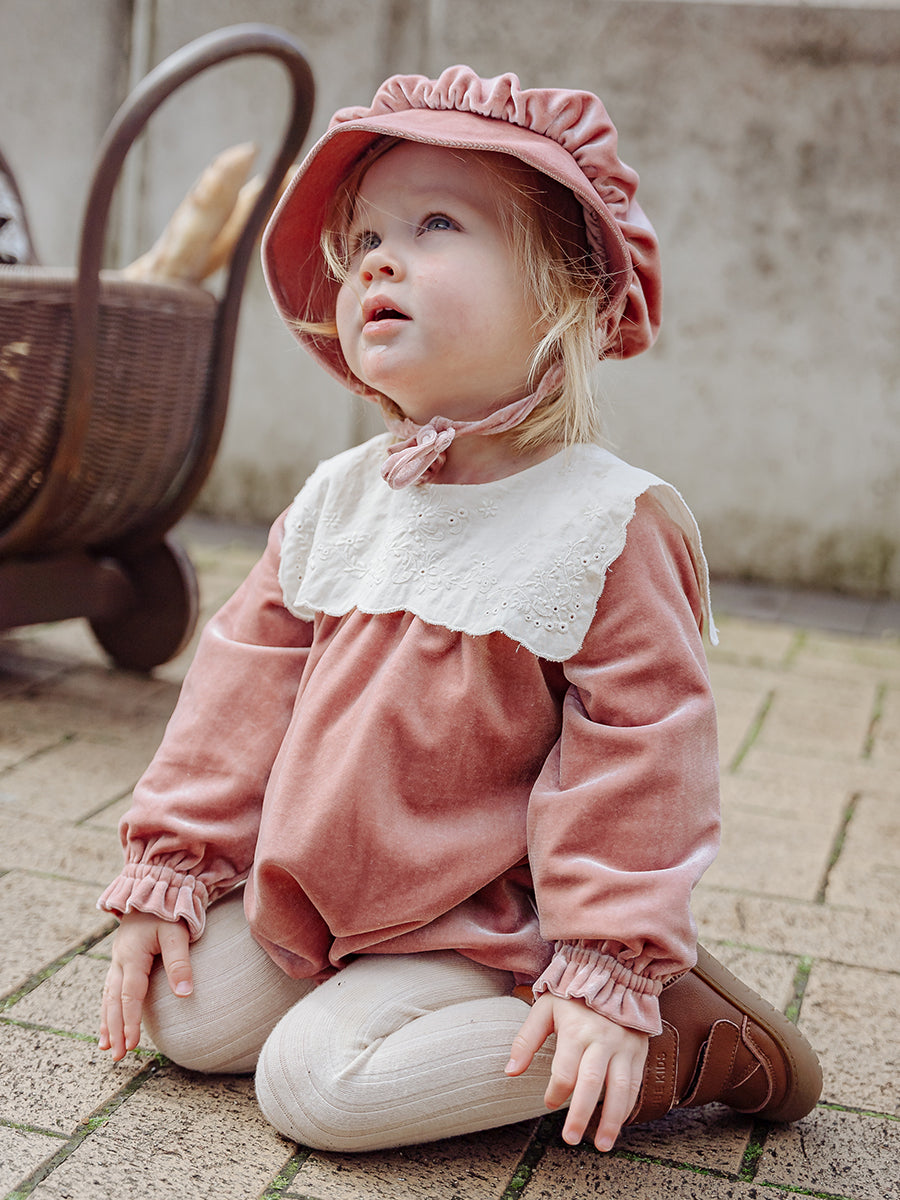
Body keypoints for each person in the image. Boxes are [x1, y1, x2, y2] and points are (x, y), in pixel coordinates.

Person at [98, 65, 822, 1154]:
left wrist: (607, 957)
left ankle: (668, 1036)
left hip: (487, 922)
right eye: (361, 243)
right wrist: (175, 865)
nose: (378, 260)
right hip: (330, 903)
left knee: (318, 1089)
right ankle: (381, 998)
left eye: (436, 224)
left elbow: (641, 755)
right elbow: (235, 694)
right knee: (179, 1011)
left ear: (568, 287)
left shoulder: (604, 522)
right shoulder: (337, 501)